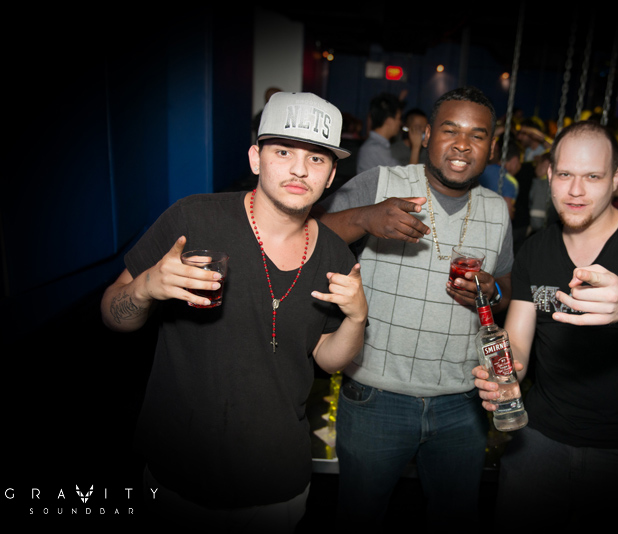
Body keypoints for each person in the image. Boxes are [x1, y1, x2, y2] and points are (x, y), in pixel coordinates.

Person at [101, 92, 367, 532]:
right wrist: (146, 287)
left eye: (316, 158)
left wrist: (357, 318)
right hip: (178, 474)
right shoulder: (193, 220)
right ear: (255, 159)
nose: (300, 169)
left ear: (331, 175)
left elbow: (328, 358)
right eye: (283, 152)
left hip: (277, 482)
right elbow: (113, 314)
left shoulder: (336, 255)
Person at [473, 121, 618, 529]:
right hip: (540, 440)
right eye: (566, 175)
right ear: (549, 175)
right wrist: (504, 374)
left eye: (592, 177)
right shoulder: (535, 250)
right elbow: (519, 344)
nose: (576, 190)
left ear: (616, 179)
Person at [317, 86, 513, 529]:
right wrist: (365, 218)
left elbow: (506, 283)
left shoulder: (497, 209)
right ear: (426, 136)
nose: (462, 145)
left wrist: (493, 291)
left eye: (477, 135)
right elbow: (307, 235)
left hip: (462, 404)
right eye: (450, 130)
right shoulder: (380, 182)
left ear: (492, 147)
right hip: (376, 398)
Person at [356, 92, 404, 174]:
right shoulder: (374, 149)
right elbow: (404, 177)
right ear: (389, 121)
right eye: (399, 118)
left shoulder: (379, 144)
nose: (400, 123)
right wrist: (415, 147)